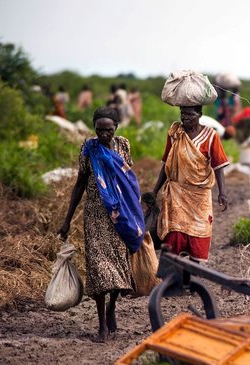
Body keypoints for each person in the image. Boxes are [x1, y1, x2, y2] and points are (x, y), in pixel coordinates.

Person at [58, 106, 145, 342]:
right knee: (99, 269)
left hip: (120, 216)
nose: (104, 134)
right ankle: (102, 326)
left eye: (108, 130)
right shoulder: (89, 148)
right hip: (96, 215)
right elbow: (79, 184)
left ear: (116, 128)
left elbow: (128, 181)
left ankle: (112, 307)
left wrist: (137, 212)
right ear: (94, 128)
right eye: (99, 130)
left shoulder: (123, 146)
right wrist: (67, 219)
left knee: (117, 267)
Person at [151, 105, 229, 262]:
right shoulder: (175, 134)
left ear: (199, 114)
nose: (185, 117)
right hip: (177, 193)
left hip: (199, 196)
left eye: (189, 114)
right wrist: (155, 191)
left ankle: (191, 278)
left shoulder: (211, 136)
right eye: (182, 114)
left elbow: (218, 167)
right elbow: (167, 164)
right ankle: (172, 279)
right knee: (174, 235)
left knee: (199, 235)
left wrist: (222, 193)